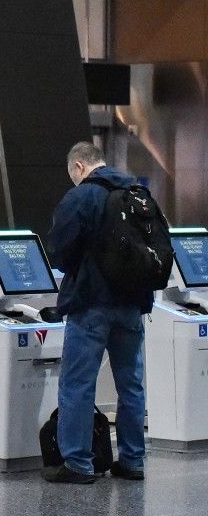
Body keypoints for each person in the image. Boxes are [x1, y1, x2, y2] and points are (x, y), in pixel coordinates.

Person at [45, 141, 151, 484]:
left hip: (91, 305)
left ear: (78, 167)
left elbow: (60, 252)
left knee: (78, 384)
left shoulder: (81, 197)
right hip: (133, 304)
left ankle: (78, 464)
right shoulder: (137, 191)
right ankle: (133, 461)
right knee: (131, 385)